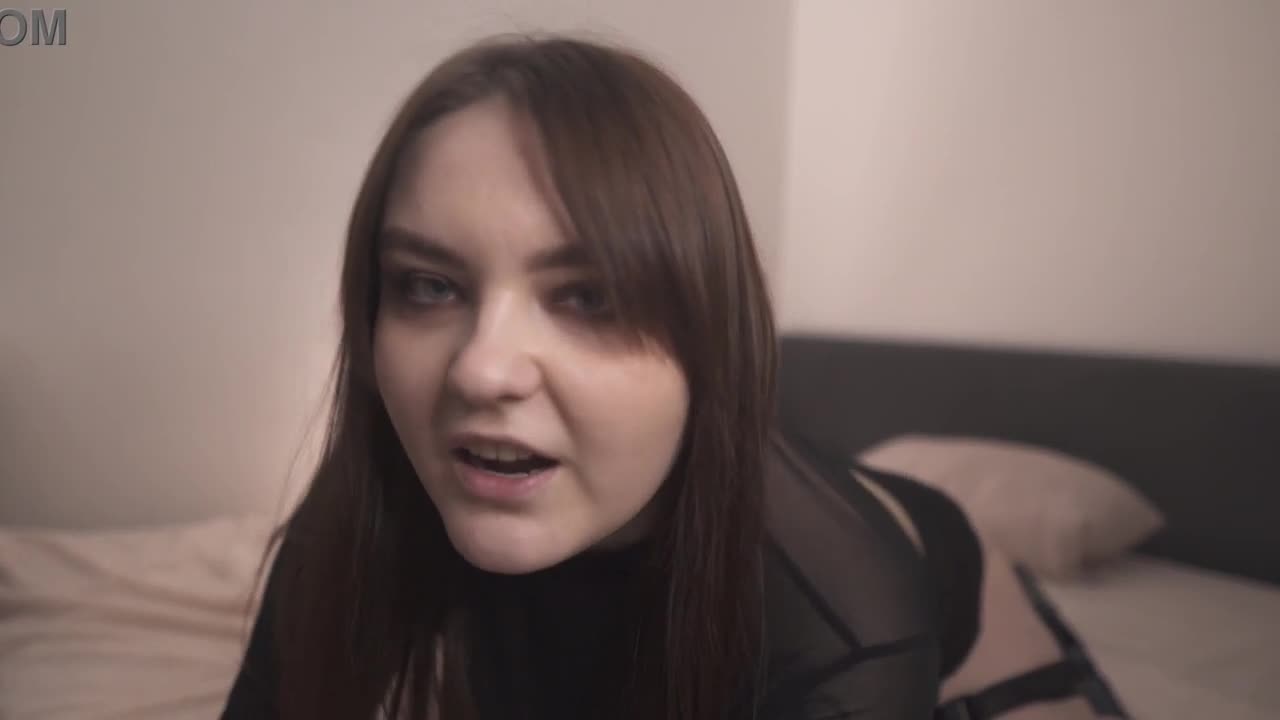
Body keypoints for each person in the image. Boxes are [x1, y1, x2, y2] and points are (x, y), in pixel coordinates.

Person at [220, 34, 1119, 720]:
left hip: (973, 629)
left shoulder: (842, 616)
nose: (481, 369)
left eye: (589, 298)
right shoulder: (379, 486)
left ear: (707, 343)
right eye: (428, 285)